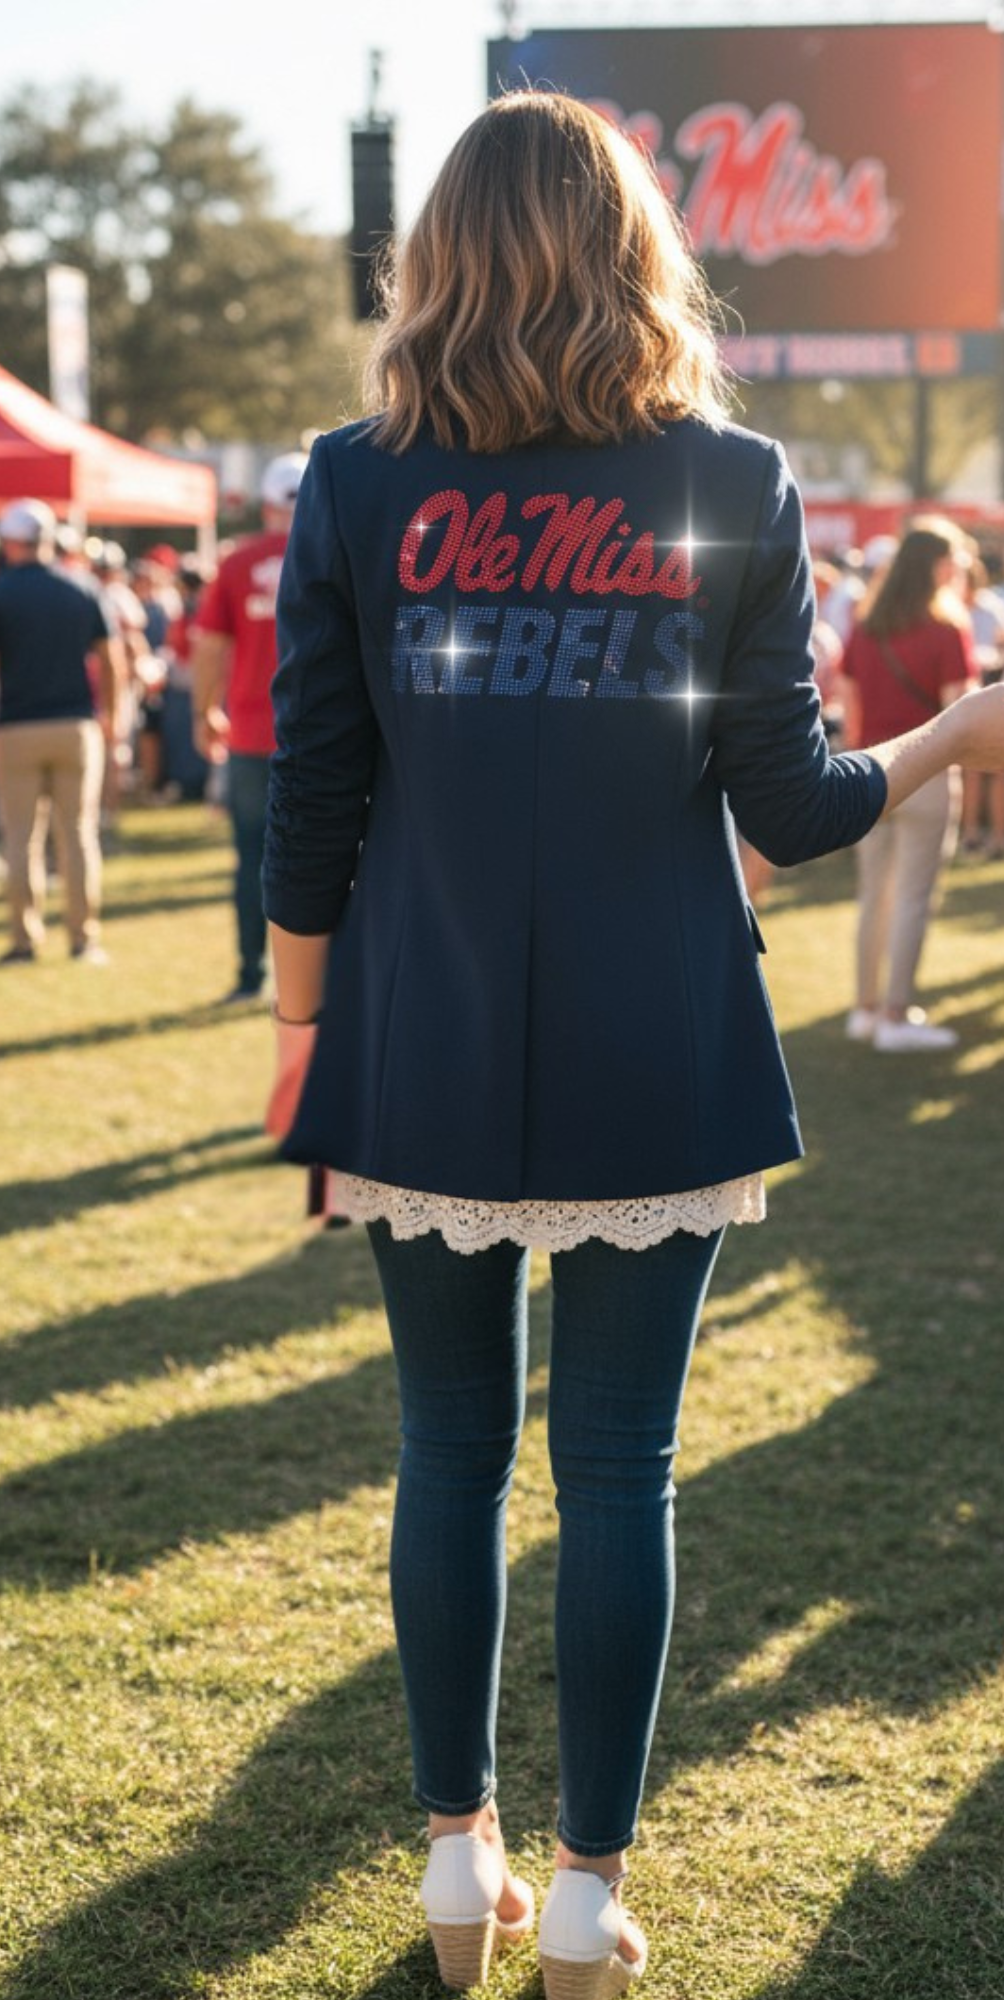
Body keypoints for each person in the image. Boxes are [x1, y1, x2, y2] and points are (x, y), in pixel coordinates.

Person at [260, 93, 1004, 1999]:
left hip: (416, 1031)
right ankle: (580, 1895)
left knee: (445, 1453)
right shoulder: (729, 478)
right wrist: (950, 735)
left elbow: (312, 800)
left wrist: (299, 1033)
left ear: (431, 261)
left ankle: (454, 1871)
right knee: (615, 1466)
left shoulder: (350, 482)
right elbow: (800, 799)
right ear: (634, 254)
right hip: (655, 1026)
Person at [839, 517, 976, 1051]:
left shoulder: (865, 624)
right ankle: (896, 1014)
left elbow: (850, 706)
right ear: (937, 567)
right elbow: (958, 714)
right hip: (927, 772)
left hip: (871, 771)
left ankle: (866, 1009)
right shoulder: (947, 628)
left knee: (875, 894)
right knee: (913, 895)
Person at [191, 452, 308, 1001]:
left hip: (253, 736)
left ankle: (249, 974)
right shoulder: (335, 551)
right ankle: (316, 982)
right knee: (331, 858)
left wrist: (203, 712)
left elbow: (209, 646)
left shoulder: (238, 564)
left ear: (265, 504)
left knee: (253, 859)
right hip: (323, 736)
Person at [0, 498, 122, 965]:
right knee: (78, 834)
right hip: (76, 725)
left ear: (12, 542)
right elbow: (110, 658)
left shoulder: (5, 591)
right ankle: (83, 937)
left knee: (21, 838)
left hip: (16, 727)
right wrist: (111, 715)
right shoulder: (82, 587)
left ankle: (25, 939)